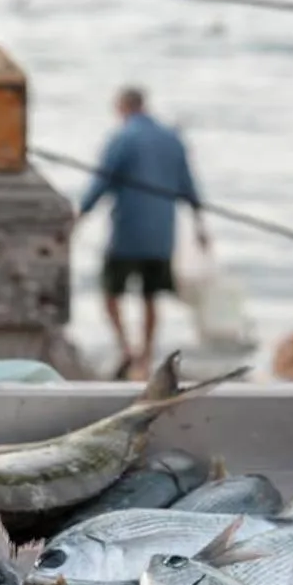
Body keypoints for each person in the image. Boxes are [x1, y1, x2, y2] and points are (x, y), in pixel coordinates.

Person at [73, 86, 210, 378]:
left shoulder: (123, 138)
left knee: (111, 293)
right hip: (161, 235)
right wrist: (200, 226)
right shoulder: (172, 139)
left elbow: (102, 181)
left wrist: (80, 216)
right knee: (151, 297)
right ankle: (145, 358)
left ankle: (126, 348)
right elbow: (189, 185)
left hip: (127, 233)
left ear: (122, 107)